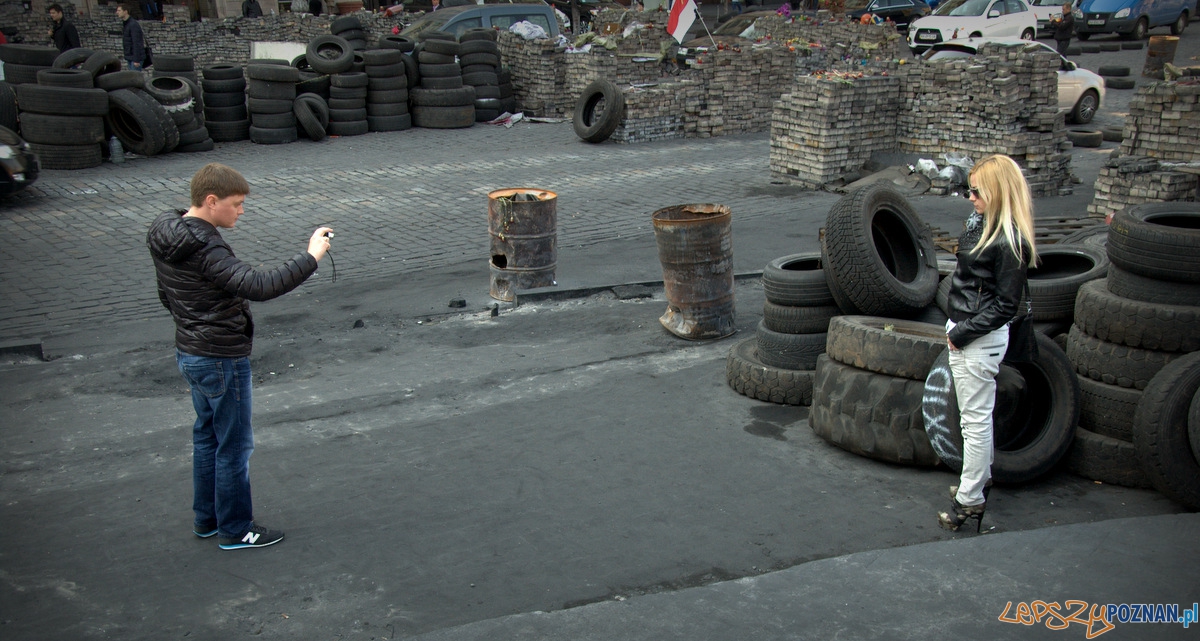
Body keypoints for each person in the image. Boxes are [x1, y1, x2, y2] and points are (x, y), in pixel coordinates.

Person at [147, 163, 333, 550]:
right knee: (233, 445)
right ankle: (235, 528)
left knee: (207, 438)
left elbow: (168, 295)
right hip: (219, 357)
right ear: (211, 201)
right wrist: (311, 256)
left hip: (190, 350)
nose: (241, 211)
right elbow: (258, 285)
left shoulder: (166, 231)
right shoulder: (204, 245)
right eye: (237, 204)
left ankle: (207, 520)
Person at [938, 154, 1037, 532]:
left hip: (977, 338)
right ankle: (976, 482)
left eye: (976, 190)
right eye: (969, 188)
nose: (969, 196)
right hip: (968, 330)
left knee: (975, 422)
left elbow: (1006, 305)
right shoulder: (981, 224)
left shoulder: (1008, 239)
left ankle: (970, 500)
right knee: (974, 419)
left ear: (996, 192)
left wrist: (961, 334)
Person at [115, 4, 146, 70]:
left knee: (134, 79)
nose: (117, 12)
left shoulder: (133, 24)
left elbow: (137, 42)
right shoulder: (126, 24)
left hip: (135, 58)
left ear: (125, 11)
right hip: (130, 57)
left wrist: (136, 59)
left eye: (119, 10)